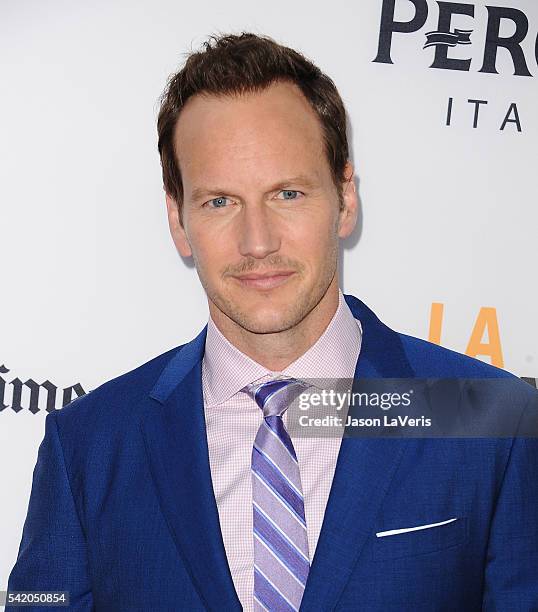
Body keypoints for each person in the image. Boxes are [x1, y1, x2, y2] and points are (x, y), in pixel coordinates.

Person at [6, 32, 538, 612]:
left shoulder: (488, 420)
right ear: (178, 221)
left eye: (287, 193)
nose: (257, 242)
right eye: (219, 202)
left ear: (345, 197)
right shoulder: (87, 446)